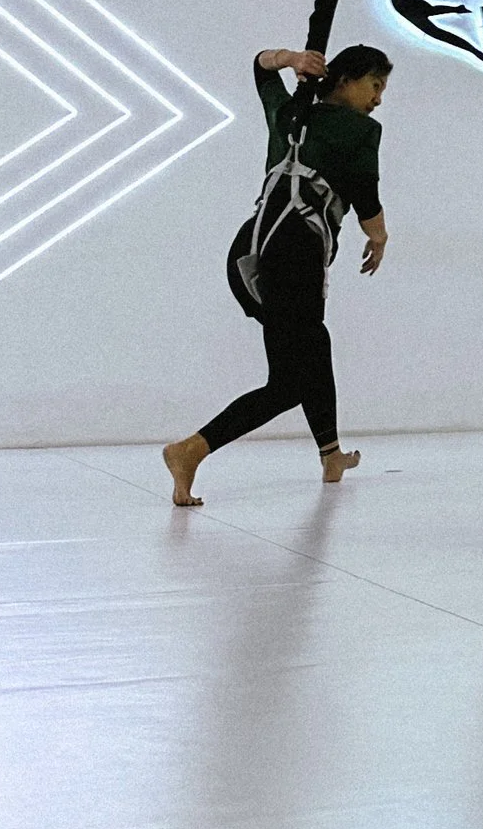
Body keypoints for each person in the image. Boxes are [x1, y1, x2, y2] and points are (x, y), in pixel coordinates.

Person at [163, 44, 393, 505]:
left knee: (311, 347)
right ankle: (190, 449)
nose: (378, 98)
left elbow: (258, 67)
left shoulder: (290, 112)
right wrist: (379, 237)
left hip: (250, 253)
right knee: (290, 381)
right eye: (375, 85)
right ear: (346, 80)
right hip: (292, 256)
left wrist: (289, 58)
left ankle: (330, 453)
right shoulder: (360, 129)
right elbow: (365, 196)